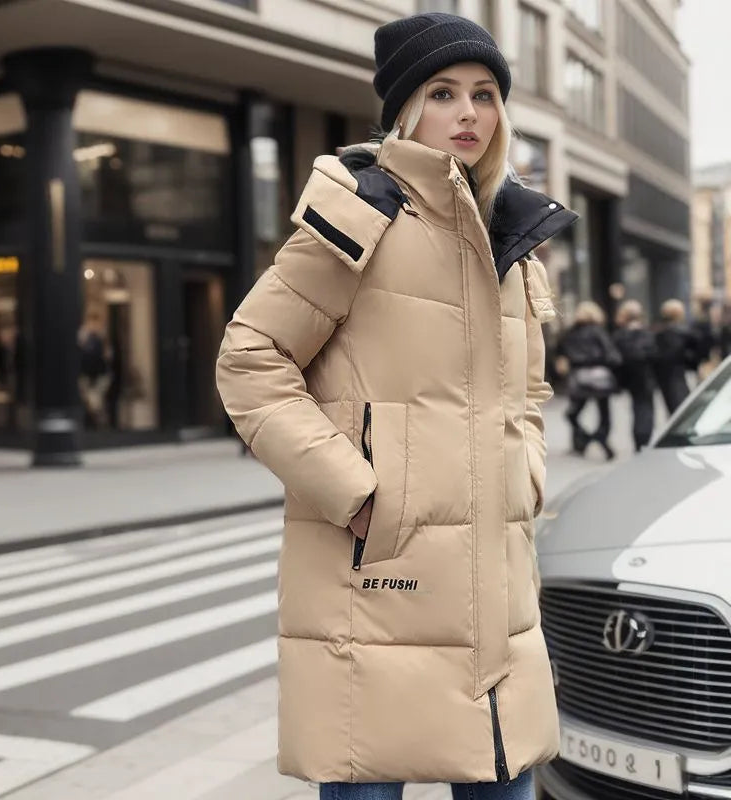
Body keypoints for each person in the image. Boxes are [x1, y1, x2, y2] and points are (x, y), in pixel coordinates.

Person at [216, 13, 578, 799]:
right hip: (378, 592)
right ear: (406, 111)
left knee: (504, 782)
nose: (469, 113)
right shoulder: (361, 213)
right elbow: (249, 357)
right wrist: (354, 491)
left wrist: (527, 476)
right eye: (444, 93)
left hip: (495, 598)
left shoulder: (510, 238)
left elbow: (530, 393)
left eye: (485, 94)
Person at [557, 302, 621, 460]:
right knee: (604, 412)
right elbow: (611, 354)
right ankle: (601, 437)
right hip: (599, 375)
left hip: (578, 375)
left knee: (573, 412)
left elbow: (560, 351)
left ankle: (582, 439)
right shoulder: (598, 332)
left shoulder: (570, 333)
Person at [613, 300, 657, 452]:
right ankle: (644, 436)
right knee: (645, 407)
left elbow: (616, 358)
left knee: (637, 407)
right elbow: (654, 356)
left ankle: (640, 439)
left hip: (630, 378)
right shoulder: (648, 333)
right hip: (645, 376)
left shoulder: (620, 335)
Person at [653, 299, 698, 414]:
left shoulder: (658, 332)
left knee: (673, 406)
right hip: (680, 373)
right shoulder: (685, 332)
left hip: (665, 375)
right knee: (682, 407)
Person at [77, 310, 112, 428]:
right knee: (91, 401)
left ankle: (99, 423)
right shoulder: (86, 340)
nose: (92, 326)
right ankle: (96, 422)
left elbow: (103, 359)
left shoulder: (100, 340)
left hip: (98, 375)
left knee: (95, 401)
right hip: (88, 375)